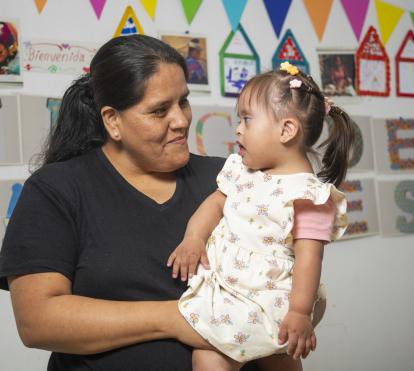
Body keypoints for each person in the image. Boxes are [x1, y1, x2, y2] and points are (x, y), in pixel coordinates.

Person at [0, 35, 259, 371]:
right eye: (159, 110)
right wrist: (178, 318)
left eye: (183, 101)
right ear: (113, 121)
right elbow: (38, 321)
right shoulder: (56, 190)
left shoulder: (228, 179)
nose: (180, 120)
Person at [167, 61, 354, 370]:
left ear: (287, 130)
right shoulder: (241, 171)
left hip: (276, 300)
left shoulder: (313, 197)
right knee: (237, 356)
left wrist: (299, 312)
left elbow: (310, 258)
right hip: (230, 287)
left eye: (247, 119)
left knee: (214, 356)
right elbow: (214, 204)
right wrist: (194, 238)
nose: (238, 129)